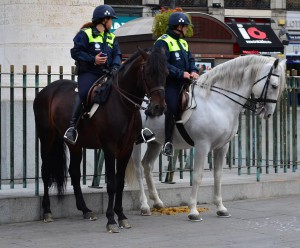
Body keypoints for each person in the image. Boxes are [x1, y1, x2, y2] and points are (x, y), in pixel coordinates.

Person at [64, 4, 122, 144]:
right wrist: (93, 59)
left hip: (108, 73)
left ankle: (135, 130)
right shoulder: (86, 34)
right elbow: (75, 52)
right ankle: (72, 128)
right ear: (104, 20)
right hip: (89, 72)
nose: (112, 23)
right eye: (111, 20)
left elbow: (117, 54)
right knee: (84, 93)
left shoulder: (111, 37)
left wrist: (115, 66)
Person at [154, 12, 199, 156]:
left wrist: (194, 70)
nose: (187, 29)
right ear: (179, 26)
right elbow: (162, 64)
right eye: (186, 26)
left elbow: (191, 60)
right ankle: (168, 142)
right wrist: (180, 73)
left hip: (186, 82)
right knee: (172, 107)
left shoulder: (183, 42)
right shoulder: (163, 41)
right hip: (169, 83)